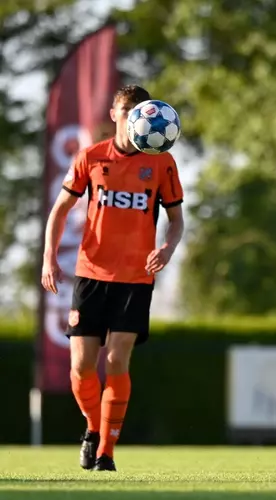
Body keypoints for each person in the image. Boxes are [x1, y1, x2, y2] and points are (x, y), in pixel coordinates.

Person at [41, 85, 185, 472]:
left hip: (136, 277)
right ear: (115, 114)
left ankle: (106, 451)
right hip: (91, 274)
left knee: (118, 360)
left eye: (141, 109)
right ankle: (92, 428)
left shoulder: (162, 163)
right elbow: (60, 209)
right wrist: (49, 259)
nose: (135, 115)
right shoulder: (90, 157)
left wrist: (168, 249)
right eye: (128, 109)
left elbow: (176, 220)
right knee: (82, 368)